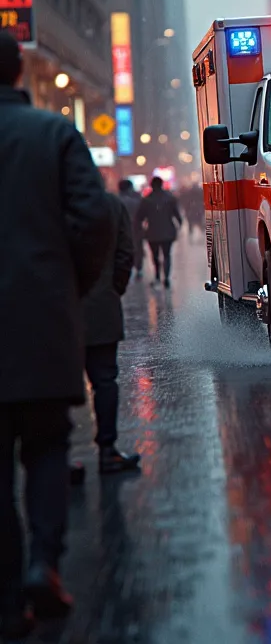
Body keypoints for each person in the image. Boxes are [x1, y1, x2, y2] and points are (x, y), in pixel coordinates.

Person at [0, 31, 111, 636]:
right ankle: (44, 564)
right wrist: (67, 280)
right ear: (19, 71)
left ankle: (6, 589)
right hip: (42, 321)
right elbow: (93, 219)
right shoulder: (53, 135)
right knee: (45, 445)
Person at [78, 193, 141, 477]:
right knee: (104, 380)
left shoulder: (47, 200)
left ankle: (61, 459)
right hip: (101, 306)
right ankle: (107, 452)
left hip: (57, 312)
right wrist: (113, 289)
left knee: (54, 386)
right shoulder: (111, 205)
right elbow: (126, 253)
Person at [136, 176, 182, 288]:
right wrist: (179, 225)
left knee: (155, 255)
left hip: (153, 232)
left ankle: (157, 276)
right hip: (168, 231)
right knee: (167, 255)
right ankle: (166, 278)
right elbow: (177, 214)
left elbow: (140, 217)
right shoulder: (170, 198)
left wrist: (141, 229)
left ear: (151, 185)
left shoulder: (146, 199)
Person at [118, 177, 143, 278]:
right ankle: (138, 268)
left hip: (121, 230)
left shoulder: (116, 200)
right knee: (137, 249)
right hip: (136, 228)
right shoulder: (136, 199)